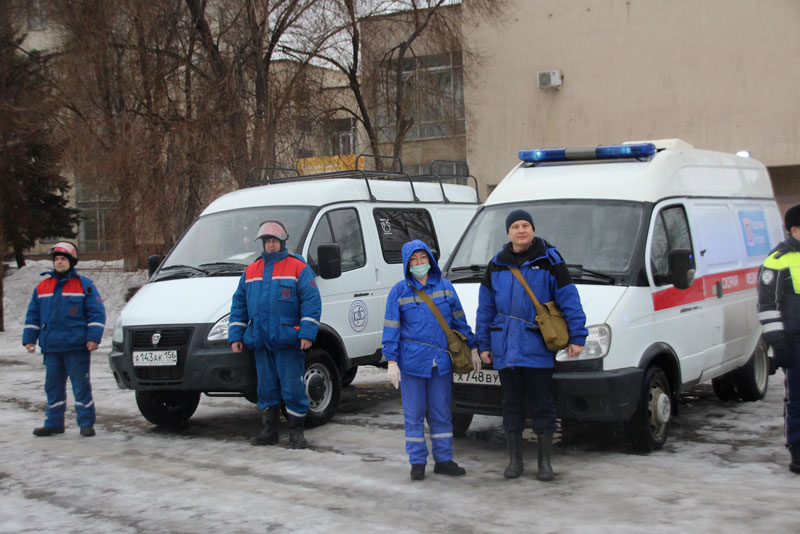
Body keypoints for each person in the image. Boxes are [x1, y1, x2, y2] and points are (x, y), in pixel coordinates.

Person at [476, 209, 587, 480]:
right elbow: (485, 308)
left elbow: (568, 299)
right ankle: (515, 462)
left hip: (537, 346)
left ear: (533, 229)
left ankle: (544, 463)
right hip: (505, 349)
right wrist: (484, 344)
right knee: (511, 404)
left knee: (543, 404)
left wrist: (577, 337)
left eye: (526, 225)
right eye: (516, 226)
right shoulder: (496, 264)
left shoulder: (550, 260)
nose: (521, 230)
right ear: (508, 232)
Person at [382, 239, 480, 481]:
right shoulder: (399, 291)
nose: (419, 263)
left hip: (441, 363)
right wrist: (391, 361)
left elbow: (459, 321)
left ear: (430, 259)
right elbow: (391, 329)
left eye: (422, 258)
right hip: (412, 365)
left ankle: (444, 460)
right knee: (413, 415)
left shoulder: (446, 287)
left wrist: (474, 346)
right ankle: (417, 462)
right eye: (413, 260)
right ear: (407, 264)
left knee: (441, 413)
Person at [228, 220, 321, 449]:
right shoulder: (252, 270)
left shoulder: (298, 267)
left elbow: (311, 301)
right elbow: (239, 304)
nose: (270, 245)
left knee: (292, 388)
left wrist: (307, 333)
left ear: (282, 242)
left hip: (288, 341)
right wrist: (236, 336)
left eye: (274, 241)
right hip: (261, 341)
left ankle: (296, 433)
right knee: (266, 388)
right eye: (267, 241)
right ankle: (269, 431)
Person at [22, 241, 106, 437]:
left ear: (71, 262)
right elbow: (32, 315)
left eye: (63, 259)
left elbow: (97, 313)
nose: (59, 262)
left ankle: (86, 423)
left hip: (76, 346)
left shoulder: (84, 284)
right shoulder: (42, 287)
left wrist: (93, 338)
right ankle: (54, 423)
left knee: (81, 387)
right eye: (57, 259)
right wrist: (29, 339)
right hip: (51, 347)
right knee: (52, 387)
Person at [757, 204, 800, 474]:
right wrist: (779, 345)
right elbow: (767, 306)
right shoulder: (777, 261)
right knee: (798, 401)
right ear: (794, 229)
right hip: (796, 345)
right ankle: (798, 452)